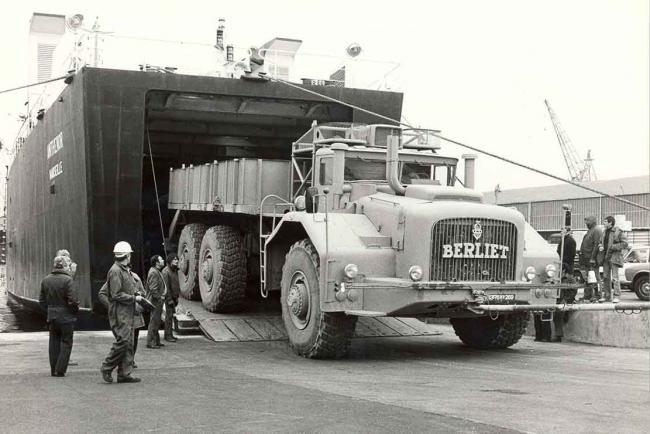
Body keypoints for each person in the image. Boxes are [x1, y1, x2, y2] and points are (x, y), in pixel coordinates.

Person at [100, 241, 143, 384]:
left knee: (129, 343)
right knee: (123, 341)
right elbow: (116, 294)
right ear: (127, 255)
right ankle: (107, 366)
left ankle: (124, 374)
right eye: (130, 254)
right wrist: (134, 297)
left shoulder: (123, 270)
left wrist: (134, 293)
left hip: (126, 311)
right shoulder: (116, 271)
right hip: (121, 313)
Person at [39, 255, 79, 377]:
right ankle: (60, 370)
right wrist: (74, 311)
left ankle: (53, 369)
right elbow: (72, 301)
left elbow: (41, 301)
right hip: (66, 316)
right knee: (66, 342)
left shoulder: (45, 280)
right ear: (64, 266)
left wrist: (50, 310)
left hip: (52, 316)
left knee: (53, 342)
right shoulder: (68, 280)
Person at [98, 270, 145, 369]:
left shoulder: (136, 277)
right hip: (123, 315)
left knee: (134, 339)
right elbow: (102, 294)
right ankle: (113, 365)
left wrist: (141, 303)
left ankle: (129, 362)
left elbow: (143, 294)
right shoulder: (116, 277)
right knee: (123, 342)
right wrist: (112, 307)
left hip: (135, 314)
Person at [552, 227, 577, 342]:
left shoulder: (570, 241)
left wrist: (567, 300)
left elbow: (570, 255)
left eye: (563, 230)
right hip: (561, 298)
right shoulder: (562, 240)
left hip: (565, 299)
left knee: (559, 312)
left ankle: (558, 334)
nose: (561, 232)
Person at [598, 216, 628, 303]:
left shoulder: (618, 232)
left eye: (605, 221)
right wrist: (600, 246)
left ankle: (617, 296)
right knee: (605, 277)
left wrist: (613, 247)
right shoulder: (604, 232)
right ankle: (607, 296)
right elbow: (600, 242)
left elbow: (625, 244)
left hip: (614, 257)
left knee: (615, 278)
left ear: (610, 222)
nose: (604, 223)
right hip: (605, 258)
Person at [579, 216, 603, 302]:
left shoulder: (596, 230)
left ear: (592, 222)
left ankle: (597, 295)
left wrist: (593, 258)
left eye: (587, 223)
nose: (586, 224)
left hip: (592, 259)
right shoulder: (590, 230)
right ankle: (587, 296)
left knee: (595, 278)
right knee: (588, 278)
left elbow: (597, 245)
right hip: (586, 258)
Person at [146, 255, 166, 349]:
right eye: (161, 259)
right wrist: (160, 297)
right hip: (155, 301)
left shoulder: (156, 271)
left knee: (156, 321)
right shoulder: (154, 272)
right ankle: (151, 342)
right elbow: (153, 289)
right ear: (157, 262)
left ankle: (156, 341)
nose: (163, 260)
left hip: (157, 300)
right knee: (154, 321)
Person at [162, 253, 180, 342]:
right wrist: (169, 299)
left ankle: (170, 335)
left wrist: (176, 297)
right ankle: (168, 336)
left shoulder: (174, 270)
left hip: (174, 297)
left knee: (171, 317)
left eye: (177, 259)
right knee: (168, 317)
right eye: (174, 259)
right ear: (170, 261)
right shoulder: (166, 272)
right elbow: (166, 287)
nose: (176, 261)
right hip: (169, 298)